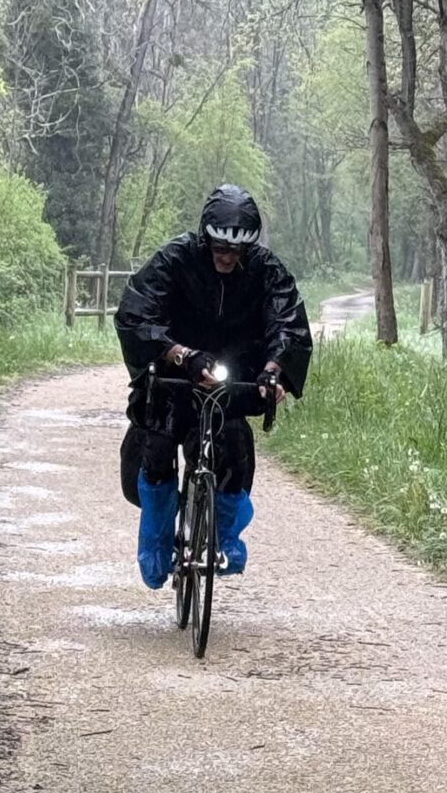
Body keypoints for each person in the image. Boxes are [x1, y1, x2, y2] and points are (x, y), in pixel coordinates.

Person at [114, 184, 312, 589]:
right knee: (157, 445)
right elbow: (136, 313)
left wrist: (275, 371)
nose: (225, 257)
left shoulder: (265, 269)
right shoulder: (176, 258)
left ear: (247, 248)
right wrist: (180, 354)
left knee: (233, 445)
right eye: (219, 248)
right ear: (206, 239)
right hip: (175, 373)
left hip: (232, 378)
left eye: (234, 251)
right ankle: (156, 544)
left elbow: (287, 322)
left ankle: (224, 537)